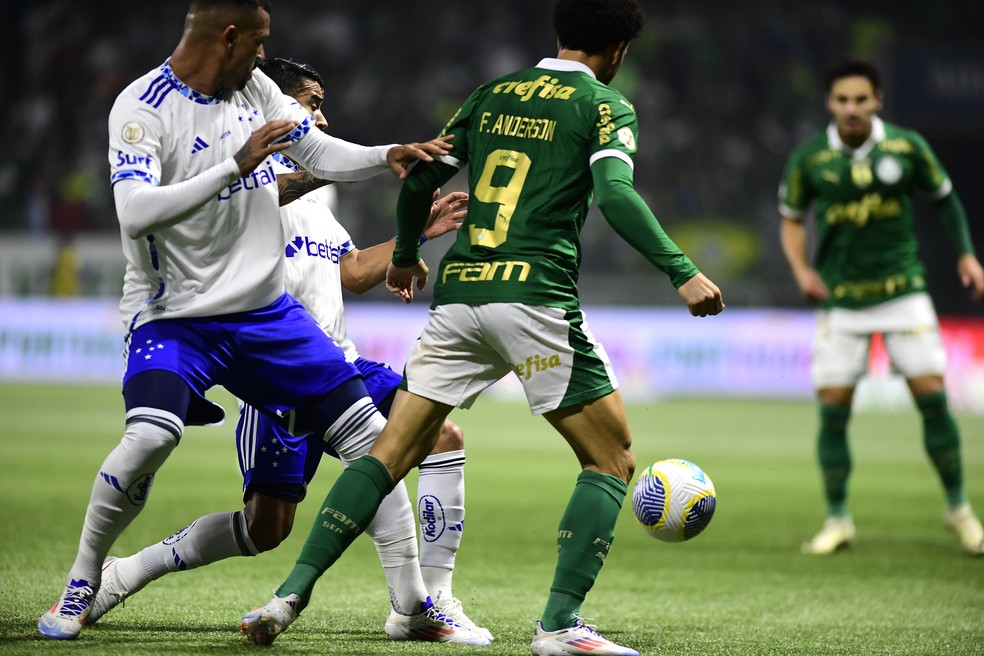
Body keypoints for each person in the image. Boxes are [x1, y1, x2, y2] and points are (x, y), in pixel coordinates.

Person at [239, 1, 725, 654]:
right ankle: (559, 626)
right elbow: (614, 194)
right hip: (533, 296)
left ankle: (287, 595)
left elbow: (419, 178)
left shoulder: (492, 94)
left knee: (391, 453)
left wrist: (408, 253)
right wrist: (682, 271)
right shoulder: (606, 105)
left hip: (461, 291)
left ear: (559, 34)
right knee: (611, 458)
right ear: (618, 52)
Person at [38, 0, 455, 640]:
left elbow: (313, 147)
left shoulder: (257, 90)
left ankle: (414, 607)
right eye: (258, 42)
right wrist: (236, 163)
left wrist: (385, 155)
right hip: (175, 311)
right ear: (228, 37)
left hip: (265, 315)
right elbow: (135, 214)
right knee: (152, 438)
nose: (265, 56)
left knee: (380, 445)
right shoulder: (142, 107)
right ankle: (83, 582)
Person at [778, 60, 984, 556]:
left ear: (878, 101)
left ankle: (960, 511)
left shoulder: (906, 146)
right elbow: (790, 218)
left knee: (932, 399)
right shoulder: (809, 158)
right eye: (843, 100)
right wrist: (803, 272)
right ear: (830, 103)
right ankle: (838, 519)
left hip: (902, 291)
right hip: (841, 299)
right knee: (833, 412)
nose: (852, 109)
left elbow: (946, 200)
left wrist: (966, 254)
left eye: (861, 100)